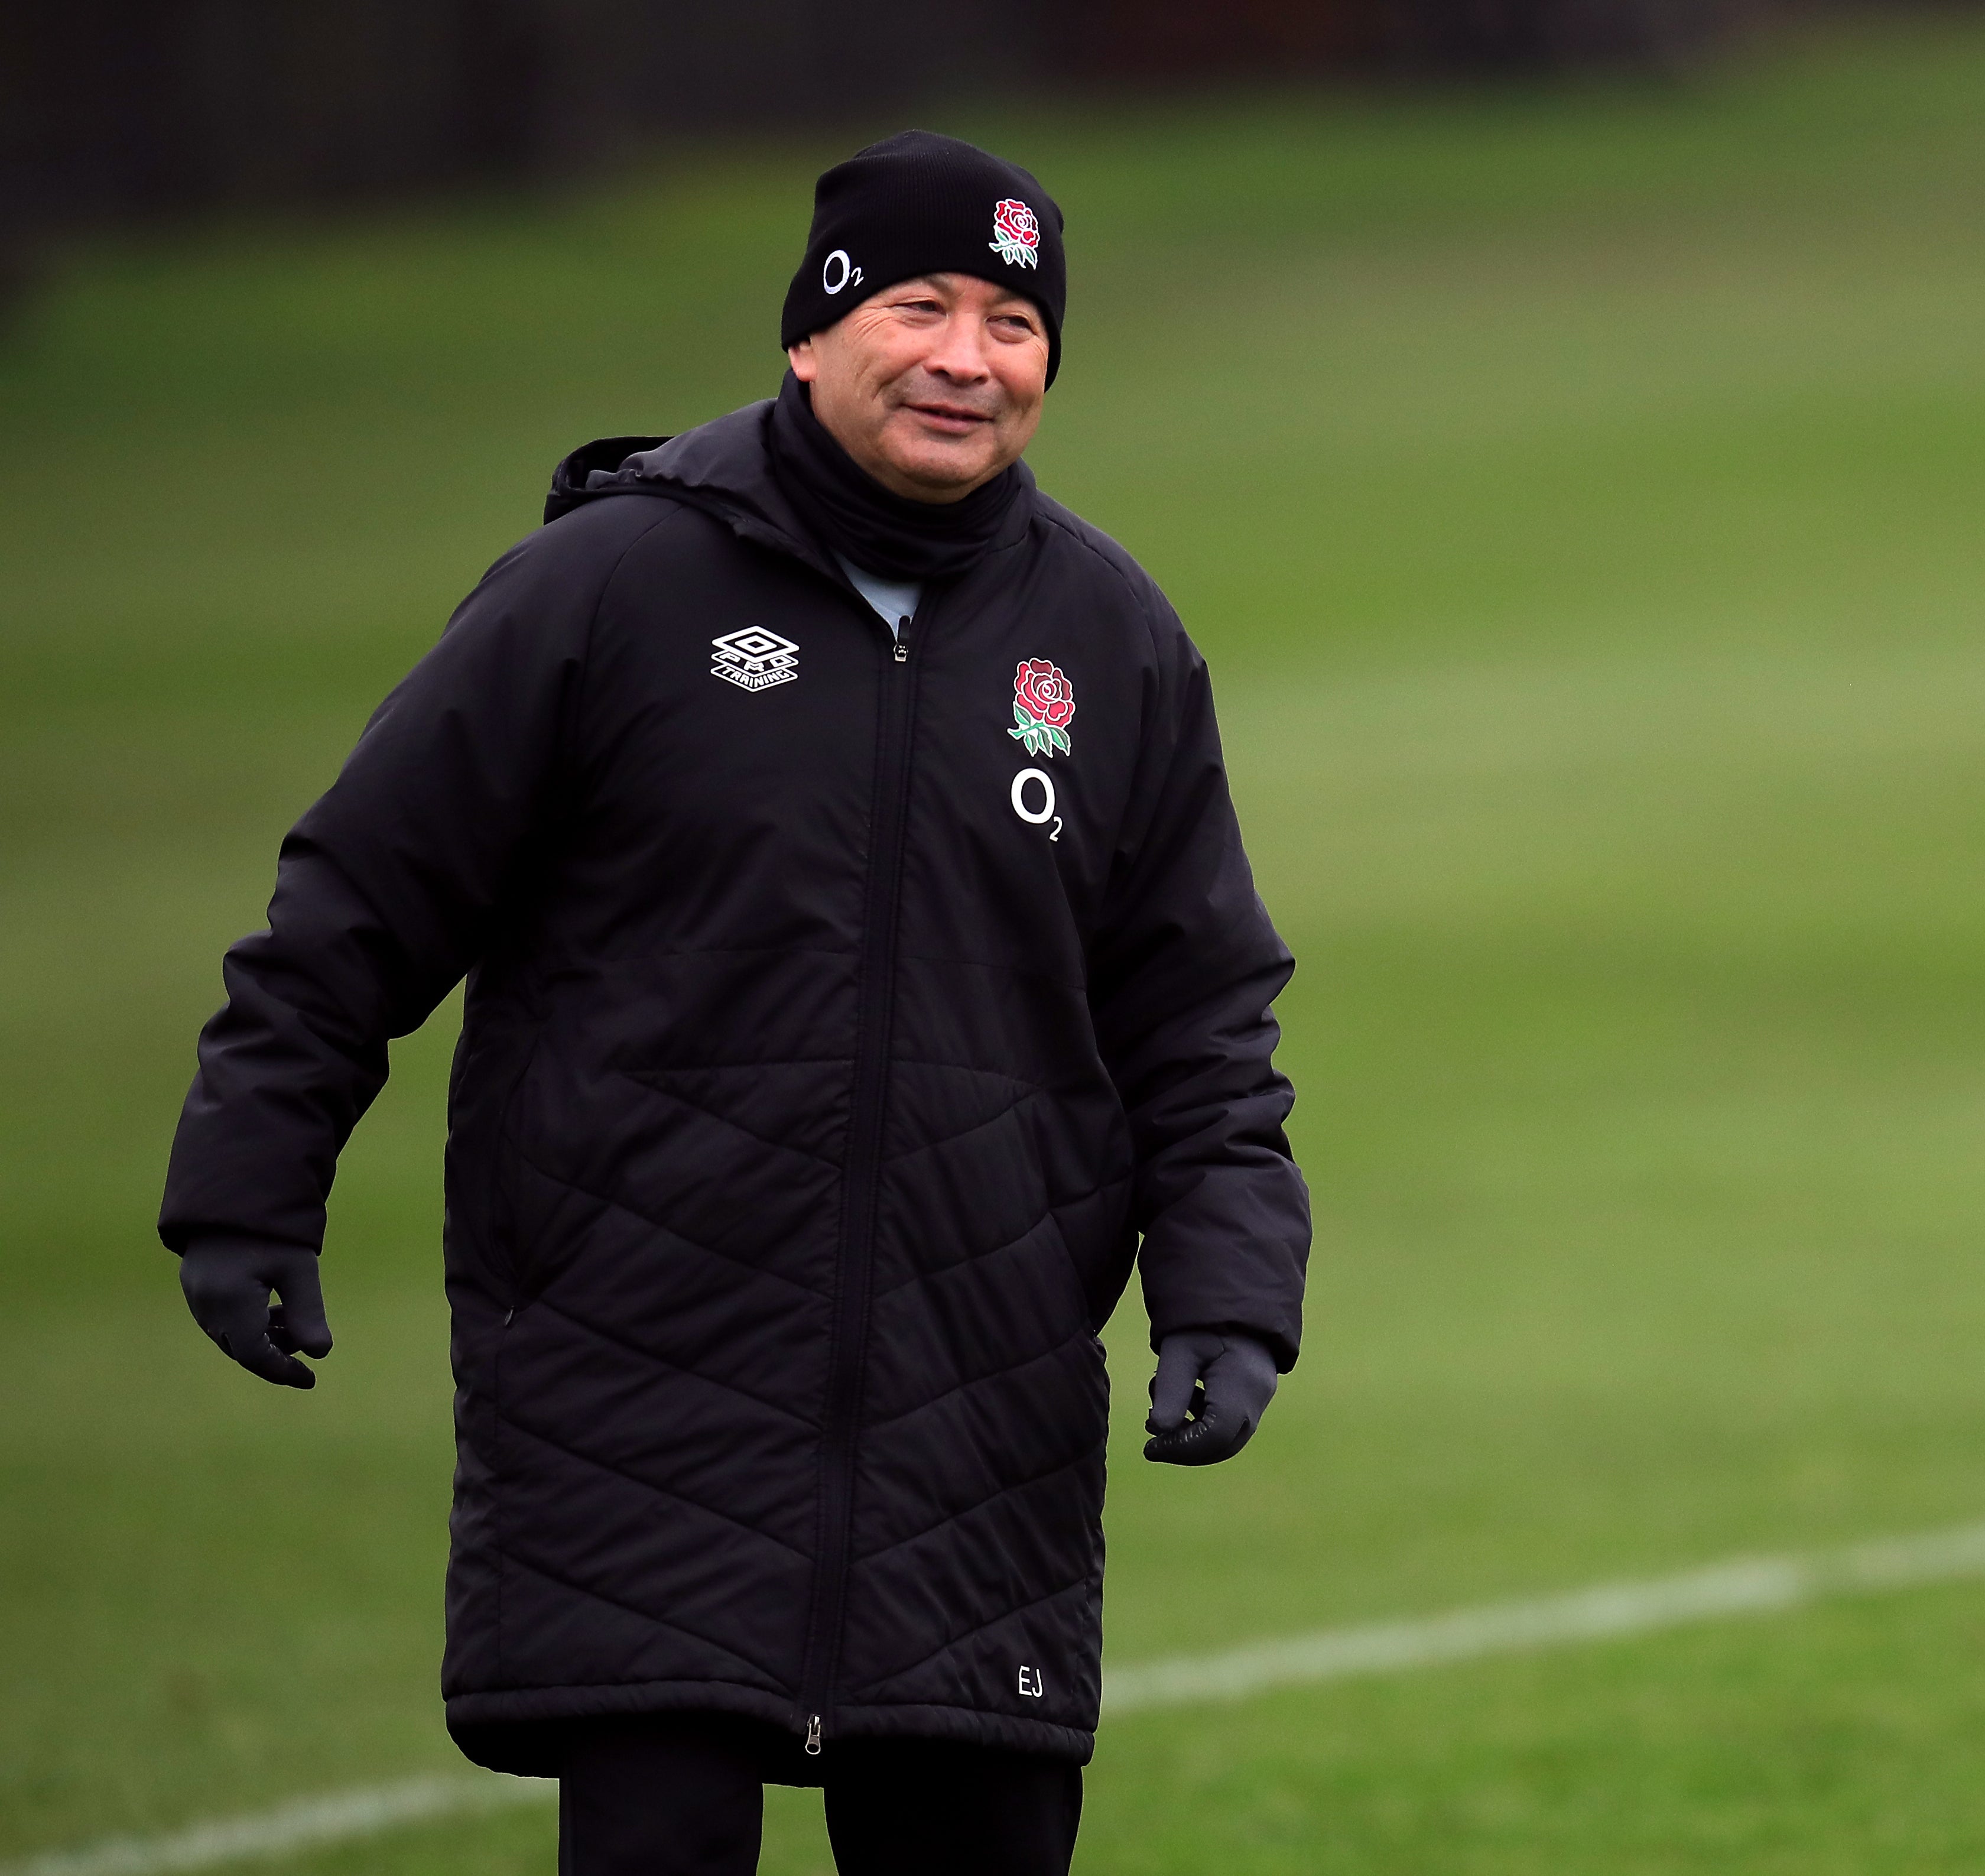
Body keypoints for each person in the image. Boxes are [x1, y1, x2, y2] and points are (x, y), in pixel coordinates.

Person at [158, 131, 1311, 1876]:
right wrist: (250, 1184)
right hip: (643, 1392)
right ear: (811, 332)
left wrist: (1228, 1296)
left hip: (973, 1423)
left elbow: (1201, 1011)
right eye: (919, 307)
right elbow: (359, 903)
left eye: (1012, 323)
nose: (964, 358)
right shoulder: (603, 588)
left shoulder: (1112, 640)